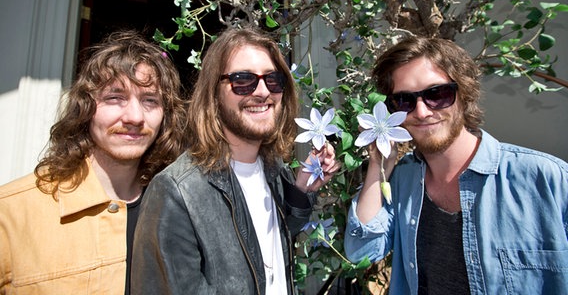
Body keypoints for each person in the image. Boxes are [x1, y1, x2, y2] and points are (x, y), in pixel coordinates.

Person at [344, 36, 568, 295]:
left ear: (465, 94)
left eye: (437, 94)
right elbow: (362, 250)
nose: (422, 112)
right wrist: (378, 164)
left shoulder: (547, 180)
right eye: (404, 101)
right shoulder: (401, 180)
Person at [131, 27, 339, 295]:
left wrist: (300, 192)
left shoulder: (274, 170)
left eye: (273, 80)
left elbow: (261, 250)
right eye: (243, 80)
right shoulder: (176, 191)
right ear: (214, 93)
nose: (263, 91)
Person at [0, 31, 187, 294]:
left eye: (150, 101)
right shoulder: (11, 214)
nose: (134, 116)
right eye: (115, 97)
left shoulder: (179, 211)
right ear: (85, 108)